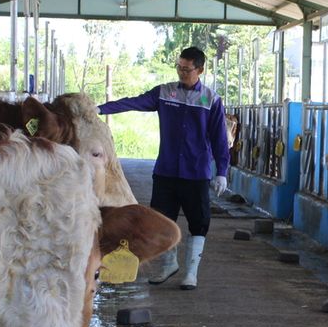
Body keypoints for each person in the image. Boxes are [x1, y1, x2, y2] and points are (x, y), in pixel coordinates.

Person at [97, 46, 229, 290]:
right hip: (166, 170)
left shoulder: (211, 100)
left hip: (196, 172)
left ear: (200, 70)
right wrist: (100, 109)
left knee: (198, 221)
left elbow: (219, 138)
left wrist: (222, 171)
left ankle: (191, 272)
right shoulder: (165, 93)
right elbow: (135, 102)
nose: (181, 72)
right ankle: (169, 265)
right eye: (179, 67)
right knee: (161, 217)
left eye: (187, 69)